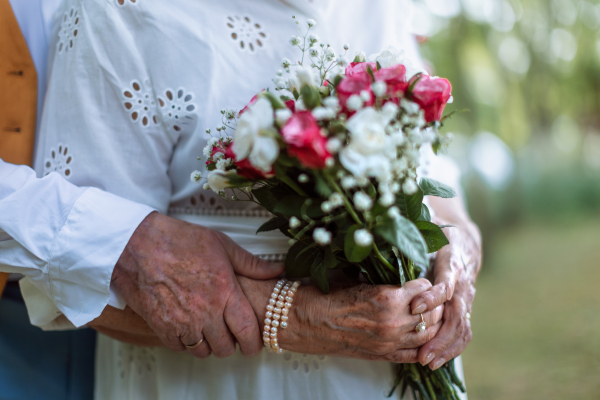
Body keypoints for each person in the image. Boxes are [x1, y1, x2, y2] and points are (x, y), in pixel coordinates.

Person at [20, 0, 482, 399]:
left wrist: (456, 250)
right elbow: (84, 275)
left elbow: (429, 168)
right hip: (215, 382)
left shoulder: (378, 7)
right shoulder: (121, 14)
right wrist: (302, 317)